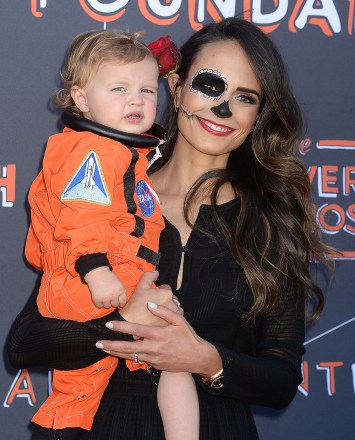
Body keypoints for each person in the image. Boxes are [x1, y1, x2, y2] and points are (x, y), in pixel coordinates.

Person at [8, 17, 333, 440]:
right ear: (177, 89)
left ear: (257, 115)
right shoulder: (104, 198)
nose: (223, 109)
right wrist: (122, 323)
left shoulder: (271, 221)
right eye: (211, 86)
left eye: (245, 97)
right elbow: (25, 343)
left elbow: (280, 378)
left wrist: (203, 359)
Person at [23, 29, 199, 439]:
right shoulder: (88, 151)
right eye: (119, 89)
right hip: (85, 284)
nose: (136, 100)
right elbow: (81, 216)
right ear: (81, 99)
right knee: (153, 359)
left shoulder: (126, 155)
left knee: (91, 386)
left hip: (121, 280)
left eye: (145, 89)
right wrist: (95, 269)